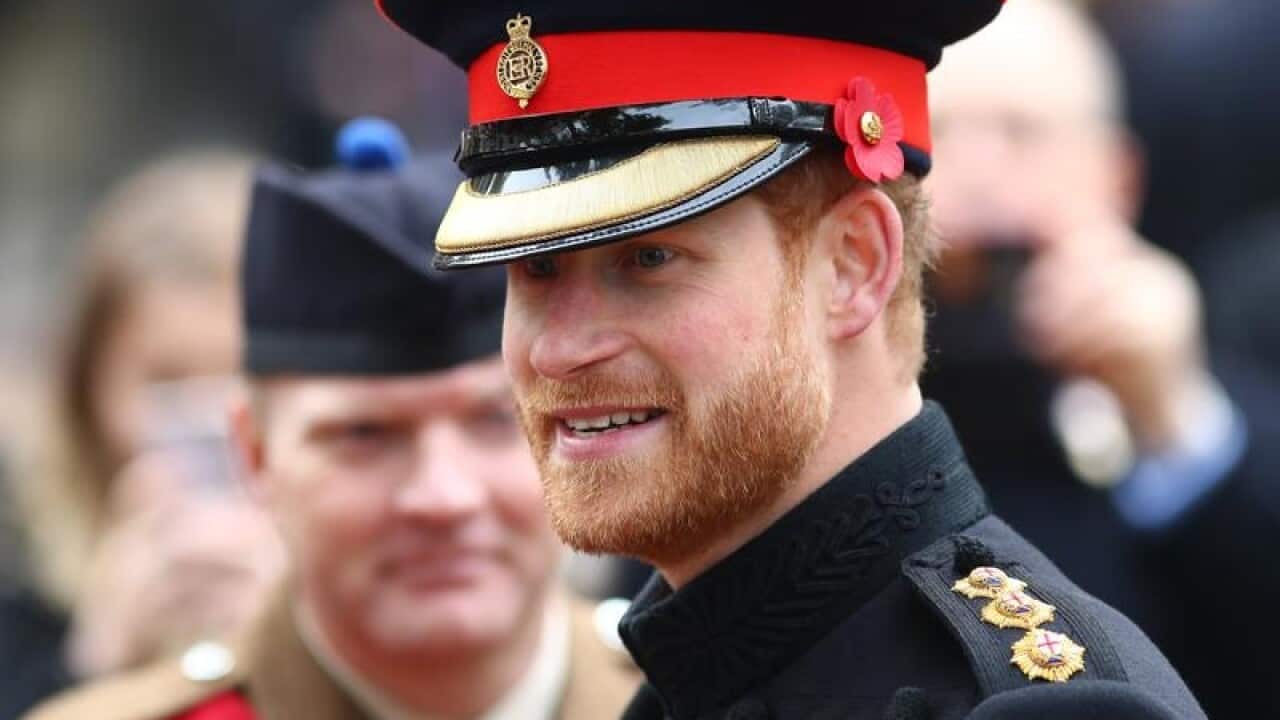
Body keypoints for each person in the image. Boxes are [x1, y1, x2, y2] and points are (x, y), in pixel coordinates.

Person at [375, 3, 1207, 718]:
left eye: (648, 260)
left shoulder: (1034, 706)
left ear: (853, 266)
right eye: (535, 268)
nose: (560, 349)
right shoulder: (686, 672)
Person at [28, 125, 640, 720]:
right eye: (365, 435)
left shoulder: (681, 698)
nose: (443, 496)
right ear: (254, 453)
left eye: (495, 420)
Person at [924, 2, 1280, 716]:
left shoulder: (1212, 398)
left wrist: (1175, 421)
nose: (978, 168)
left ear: (1119, 179)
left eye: (1022, 131)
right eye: (937, 132)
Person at [3, 152, 284, 718]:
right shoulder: (22, 589)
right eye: (167, 381)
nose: (209, 418)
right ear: (88, 390)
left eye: (240, 376)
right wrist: (89, 665)